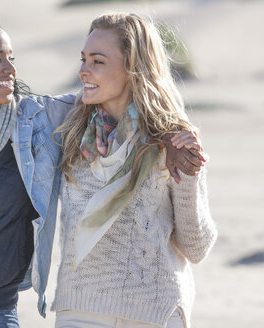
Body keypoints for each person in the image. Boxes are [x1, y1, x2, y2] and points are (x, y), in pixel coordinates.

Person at [0, 10, 203, 328]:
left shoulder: (35, 126)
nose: (10, 69)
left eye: (11, 58)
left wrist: (170, 134)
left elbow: (114, 99)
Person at [46, 13, 217, 328]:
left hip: (153, 312)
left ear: (133, 66)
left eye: (97, 61)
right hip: (79, 310)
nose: (83, 71)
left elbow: (196, 247)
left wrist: (189, 177)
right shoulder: (68, 123)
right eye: (83, 59)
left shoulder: (173, 139)